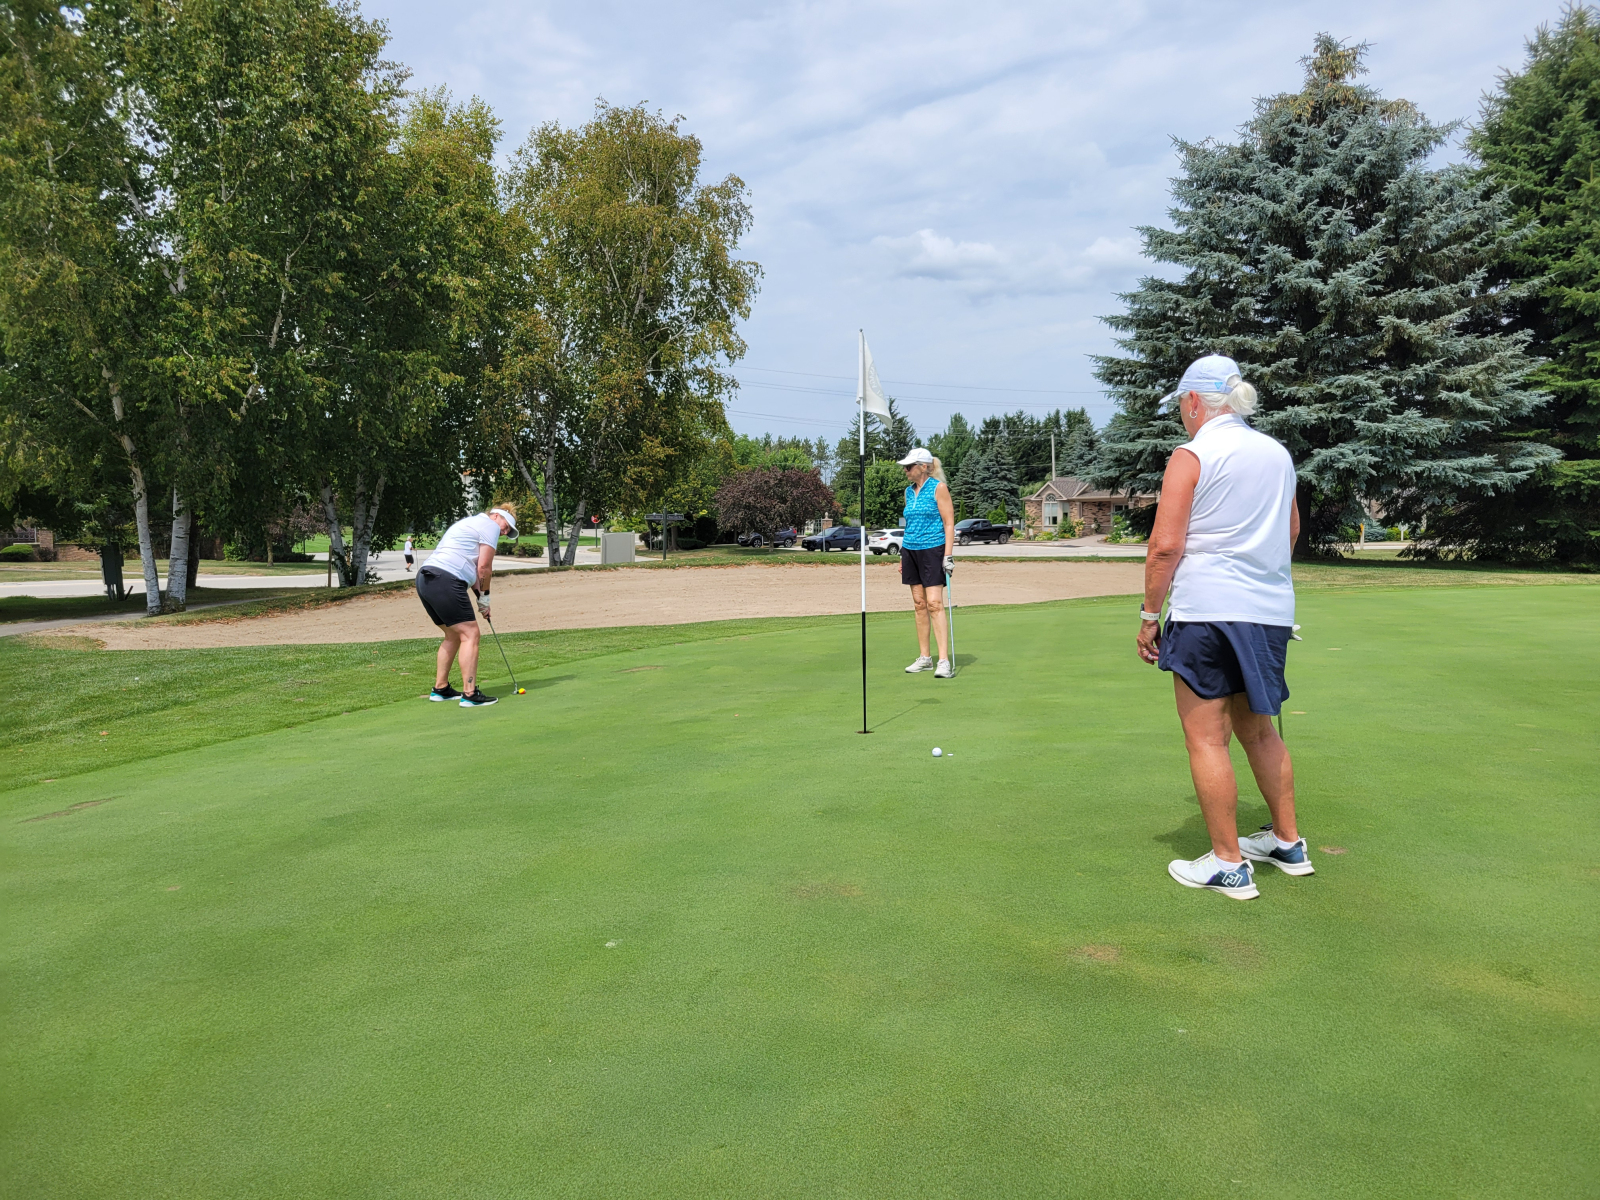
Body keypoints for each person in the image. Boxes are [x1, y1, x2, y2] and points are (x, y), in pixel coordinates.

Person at [1136, 354, 1313, 900]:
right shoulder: (1277, 453)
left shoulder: (1191, 454)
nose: (1181, 414)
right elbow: (1290, 529)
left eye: (1181, 405)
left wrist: (1148, 617)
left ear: (1195, 401)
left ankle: (1228, 864)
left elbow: (1165, 546)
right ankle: (1287, 844)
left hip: (1207, 611)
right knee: (1258, 730)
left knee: (1207, 737)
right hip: (1269, 612)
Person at [416, 505, 517, 707]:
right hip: (445, 579)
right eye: (506, 527)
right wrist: (486, 597)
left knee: (453, 634)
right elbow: (484, 568)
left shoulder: (471, 523)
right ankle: (470, 694)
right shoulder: (490, 526)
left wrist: (482, 599)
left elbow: (473, 573)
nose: (505, 533)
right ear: (497, 516)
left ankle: (441, 689)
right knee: (471, 634)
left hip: (426, 579)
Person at [896, 447, 956, 678]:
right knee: (919, 604)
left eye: (909, 466)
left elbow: (949, 523)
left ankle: (943, 661)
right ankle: (925, 658)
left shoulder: (938, 488)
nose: (905, 470)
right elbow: (909, 525)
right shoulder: (908, 492)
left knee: (934, 603)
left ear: (923, 467)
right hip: (910, 550)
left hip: (933, 549)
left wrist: (948, 555)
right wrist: (903, 555)